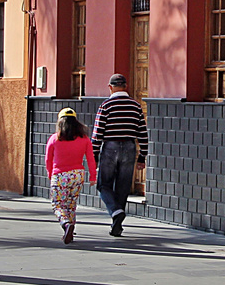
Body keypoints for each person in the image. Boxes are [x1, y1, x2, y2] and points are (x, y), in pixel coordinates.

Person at [91, 73, 148, 237]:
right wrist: (142, 156)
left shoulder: (105, 106)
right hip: (129, 147)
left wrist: (94, 156)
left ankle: (115, 211)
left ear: (110, 87)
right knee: (123, 187)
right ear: (126, 87)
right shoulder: (136, 106)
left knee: (104, 185)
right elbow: (142, 133)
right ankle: (118, 223)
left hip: (110, 146)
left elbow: (97, 134)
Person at [44, 108, 96, 244]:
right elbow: (91, 158)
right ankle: (70, 232)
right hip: (78, 175)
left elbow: (48, 159)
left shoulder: (54, 139)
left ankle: (66, 224)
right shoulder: (84, 139)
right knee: (71, 204)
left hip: (60, 175)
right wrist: (93, 176)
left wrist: (50, 174)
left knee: (58, 204)